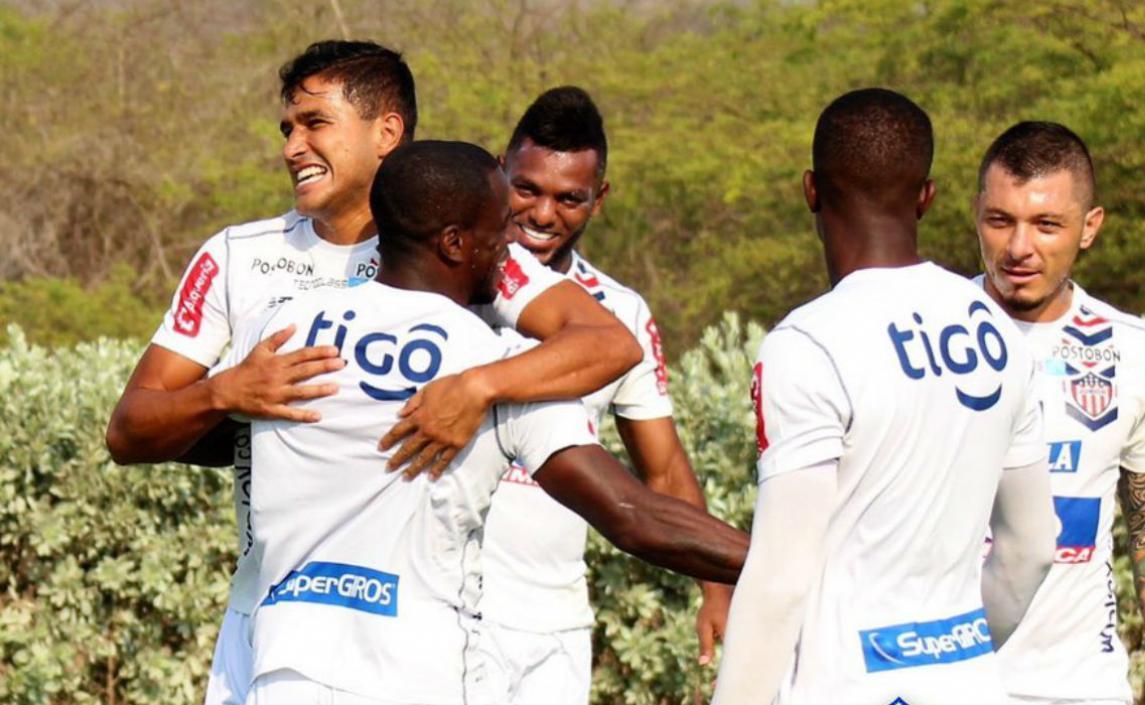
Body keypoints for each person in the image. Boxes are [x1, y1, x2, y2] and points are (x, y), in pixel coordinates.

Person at [105, 40, 639, 705]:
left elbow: (607, 343)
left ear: (386, 131)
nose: (292, 147)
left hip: (415, 637)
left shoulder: (458, 250)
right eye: (287, 129)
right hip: (266, 621)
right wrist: (224, 393)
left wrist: (479, 387)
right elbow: (129, 429)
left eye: (315, 123)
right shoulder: (237, 257)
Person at [229, 139, 748, 705]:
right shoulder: (499, 365)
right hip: (414, 679)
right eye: (500, 228)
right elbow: (633, 517)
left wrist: (214, 396)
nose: (511, 245)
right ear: (454, 243)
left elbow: (192, 435)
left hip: (283, 672)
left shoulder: (278, 332)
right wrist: (784, 564)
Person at [710, 88, 1056, 705]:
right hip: (969, 683)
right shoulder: (995, 329)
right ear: (927, 196)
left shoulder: (809, 342)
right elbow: (1031, 548)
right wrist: (956, 657)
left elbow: (780, 578)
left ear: (811, 190)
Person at [469, 86, 731, 705]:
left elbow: (662, 468)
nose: (542, 214)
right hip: (457, 614)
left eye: (569, 199)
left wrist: (716, 588)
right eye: (526, 188)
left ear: (599, 199)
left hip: (557, 623)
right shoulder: (449, 283)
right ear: (499, 172)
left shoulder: (621, 313)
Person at [972, 121, 1145, 705]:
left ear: (1090, 227)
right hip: (944, 683)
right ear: (976, 216)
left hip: (1081, 688)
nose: (1019, 248)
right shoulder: (927, 339)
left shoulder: (1136, 351)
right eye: (1001, 220)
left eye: (1047, 224)